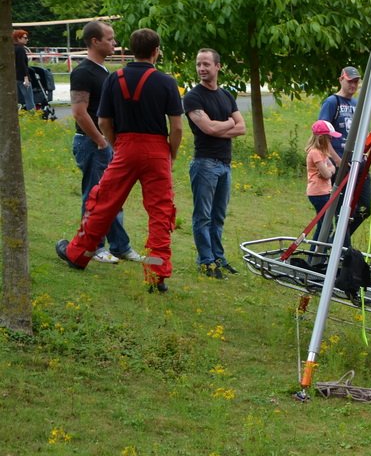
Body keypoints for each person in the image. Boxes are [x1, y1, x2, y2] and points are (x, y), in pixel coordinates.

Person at [56, 28, 183, 293]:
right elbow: (177, 127)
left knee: (102, 203)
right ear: (156, 51)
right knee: (160, 212)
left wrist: (115, 145)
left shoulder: (114, 79)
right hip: (157, 150)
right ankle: (157, 274)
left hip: (124, 147)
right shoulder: (167, 82)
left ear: (130, 51)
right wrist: (170, 154)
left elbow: (104, 121)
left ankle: (77, 254)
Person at [68, 21, 144, 265]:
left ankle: (120, 246)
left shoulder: (103, 72)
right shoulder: (83, 72)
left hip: (107, 145)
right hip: (92, 145)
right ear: (94, 41)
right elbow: (80, 112)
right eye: (110, 39)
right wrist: (101, 141)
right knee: (95, 196)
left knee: (112, 196)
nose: (114, 43)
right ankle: (93, 246)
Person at [183, 48, 246, 278]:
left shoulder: (227, 95)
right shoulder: (192, 97)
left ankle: (218, 257)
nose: (201, 68)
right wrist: (228, 123)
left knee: (218, 216)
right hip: (204, 163)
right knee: (203, 216)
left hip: (225, 164)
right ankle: (206, 261)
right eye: (199, 64)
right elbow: (207, 128)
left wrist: (220, 126)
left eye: (206, 64)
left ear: (218, 66)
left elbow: (243, 128)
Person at [318, 66, 370, 241]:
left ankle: (335, 241)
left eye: (356, 82)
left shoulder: (357, 104)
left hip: (359, 163)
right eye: (350, 81)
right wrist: (337, 159)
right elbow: (321, 134)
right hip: (341, 164)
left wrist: (364, 153)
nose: (353, 85)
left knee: (365, 207)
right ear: (341, 79)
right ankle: (341, 251)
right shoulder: (332, 102)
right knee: (343, 211)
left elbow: (362, 132)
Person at [306, 120, 339, 243]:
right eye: (329, 137)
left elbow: (332, 168)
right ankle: (316, 254)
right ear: (321, 138)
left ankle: (317, 254)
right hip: (318, 193)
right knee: (326, 226)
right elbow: (326, 173)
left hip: (324, 192)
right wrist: (328, 171)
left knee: (324, 225)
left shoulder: (322, 152)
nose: (331, 140)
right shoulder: (315, 153)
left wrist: (328, 171)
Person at [14, 29, 34, 112]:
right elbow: (22, 64)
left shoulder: (12, 48)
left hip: (14, 77)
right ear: (18, 38)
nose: (27, 39)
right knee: (29, 98)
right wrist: (26, 77)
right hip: (22, 77)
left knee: (18, 99)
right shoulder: (21, 49)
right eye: (25, 38)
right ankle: (33, 115)